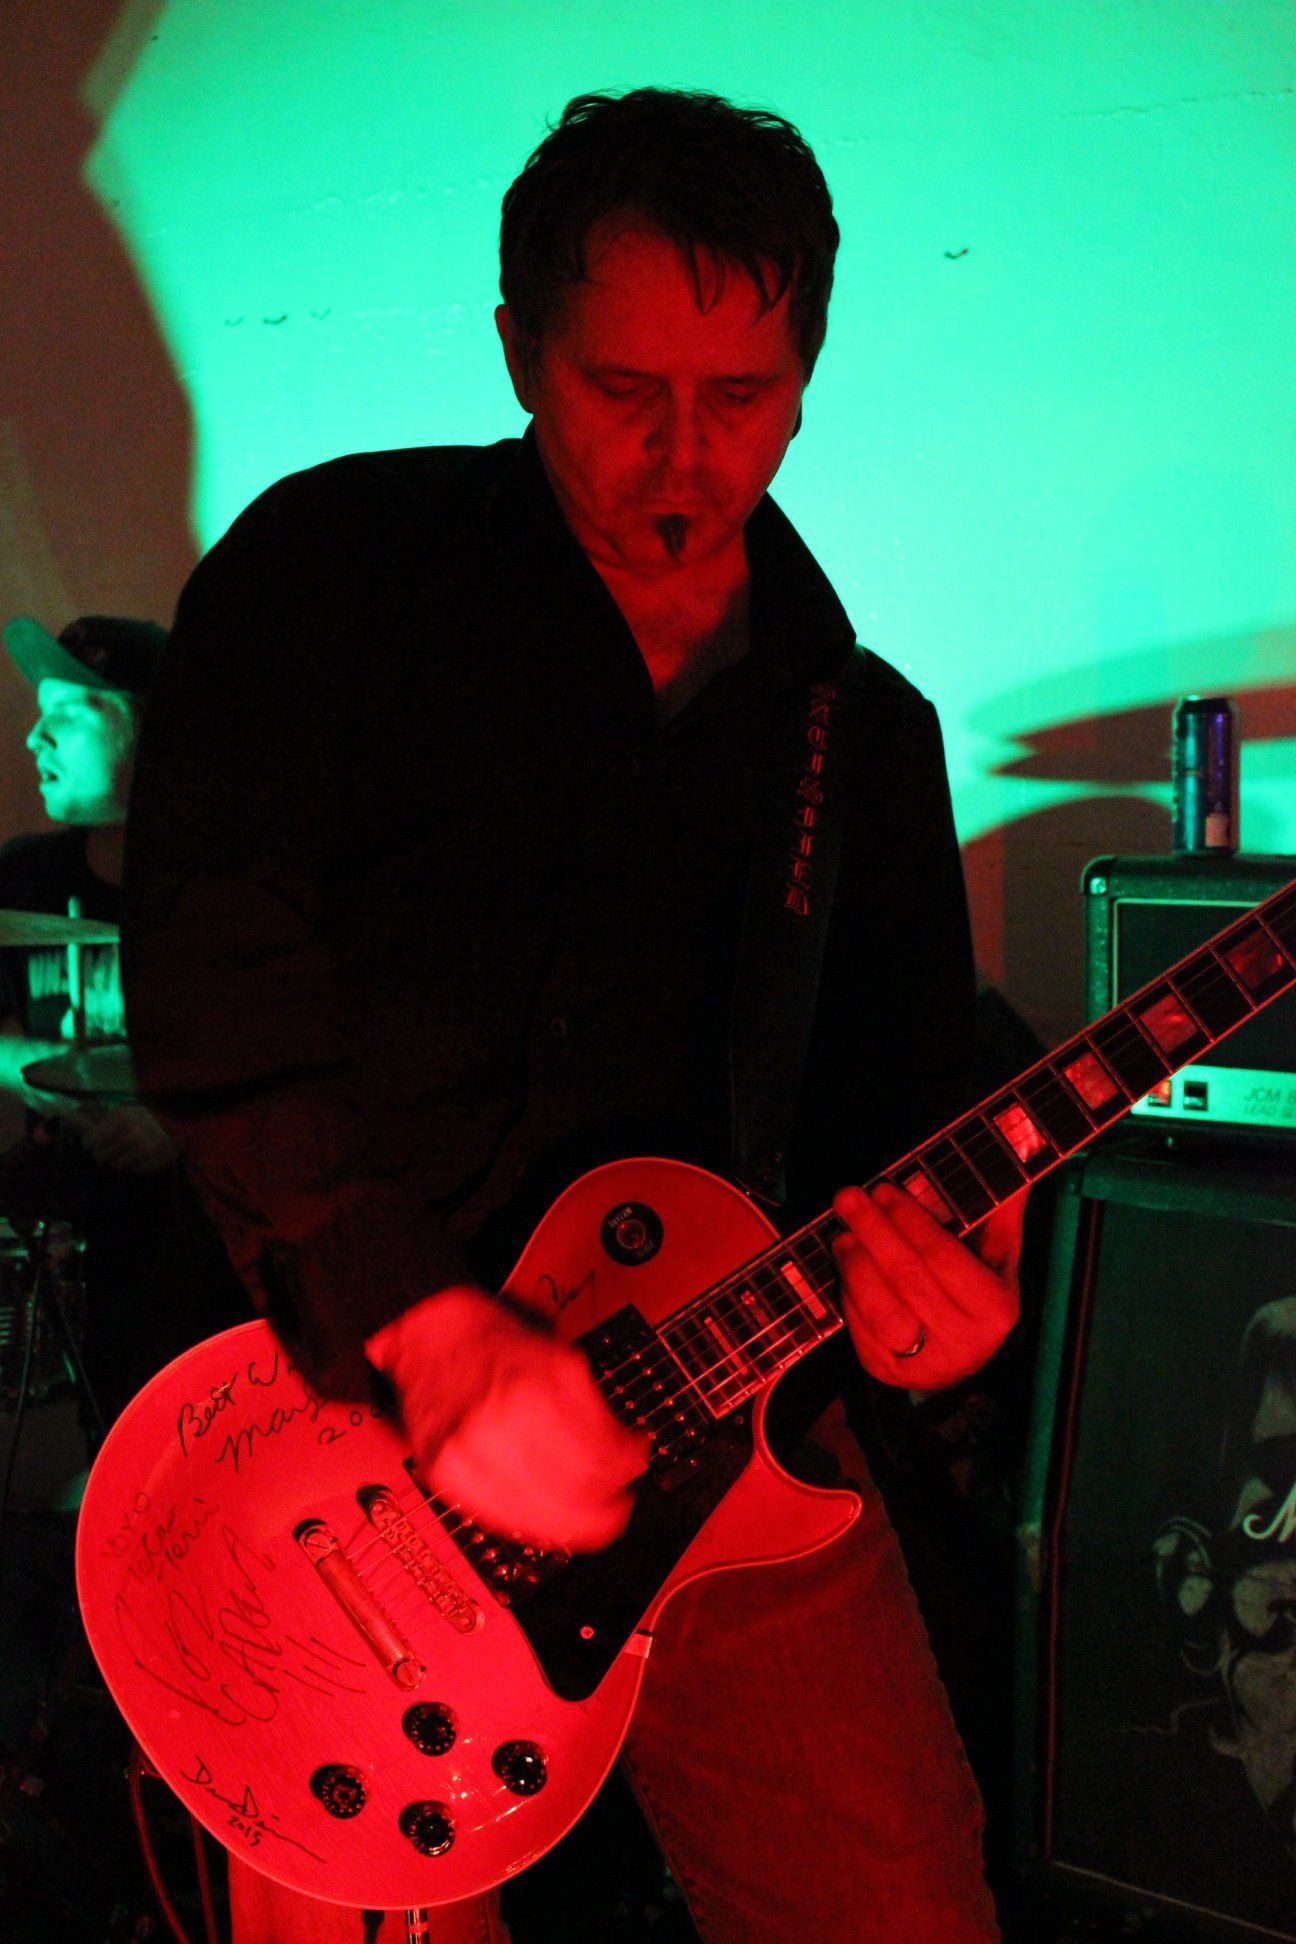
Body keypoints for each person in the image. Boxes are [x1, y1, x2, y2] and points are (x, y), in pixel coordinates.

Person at [122, 88, 1025, 1942]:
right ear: (521, 346)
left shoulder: (863, 731)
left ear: (808, 374)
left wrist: (948, 1303)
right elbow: (218, 985)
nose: (684, 457)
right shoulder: (330, 579)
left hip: (729, 1429)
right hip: (344, 1448)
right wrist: (423, 1324)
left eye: (746, 397)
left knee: (908, 1911)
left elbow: (902, 1107)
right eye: (625, 391)